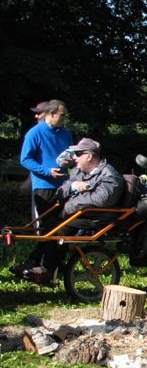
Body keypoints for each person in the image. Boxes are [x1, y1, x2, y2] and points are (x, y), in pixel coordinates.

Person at [24, 138, 124, 282]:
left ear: (89, 156)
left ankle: (48, 270)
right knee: (49, 224)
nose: (74, 158)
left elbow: (100, 200)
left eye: (78, 154)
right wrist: (73, 186)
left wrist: (69, 207)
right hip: (79, 214)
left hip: (97, 217)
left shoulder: (109, 175)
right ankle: (35, 263)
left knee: (58, 230)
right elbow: (61, 190)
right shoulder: (78, 172)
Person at [16, 99, 73, 283]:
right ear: (51, 114)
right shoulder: (35, 133)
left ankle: (45, 266)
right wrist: (46, 171)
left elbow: (70, 155)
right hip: (44, 188)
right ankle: (42, 268)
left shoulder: (65, 134)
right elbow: (25, 159)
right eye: (62, 115)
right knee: (49, 231)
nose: (65, 118)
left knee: (63, 228)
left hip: (63, 187)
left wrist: (70, 162)